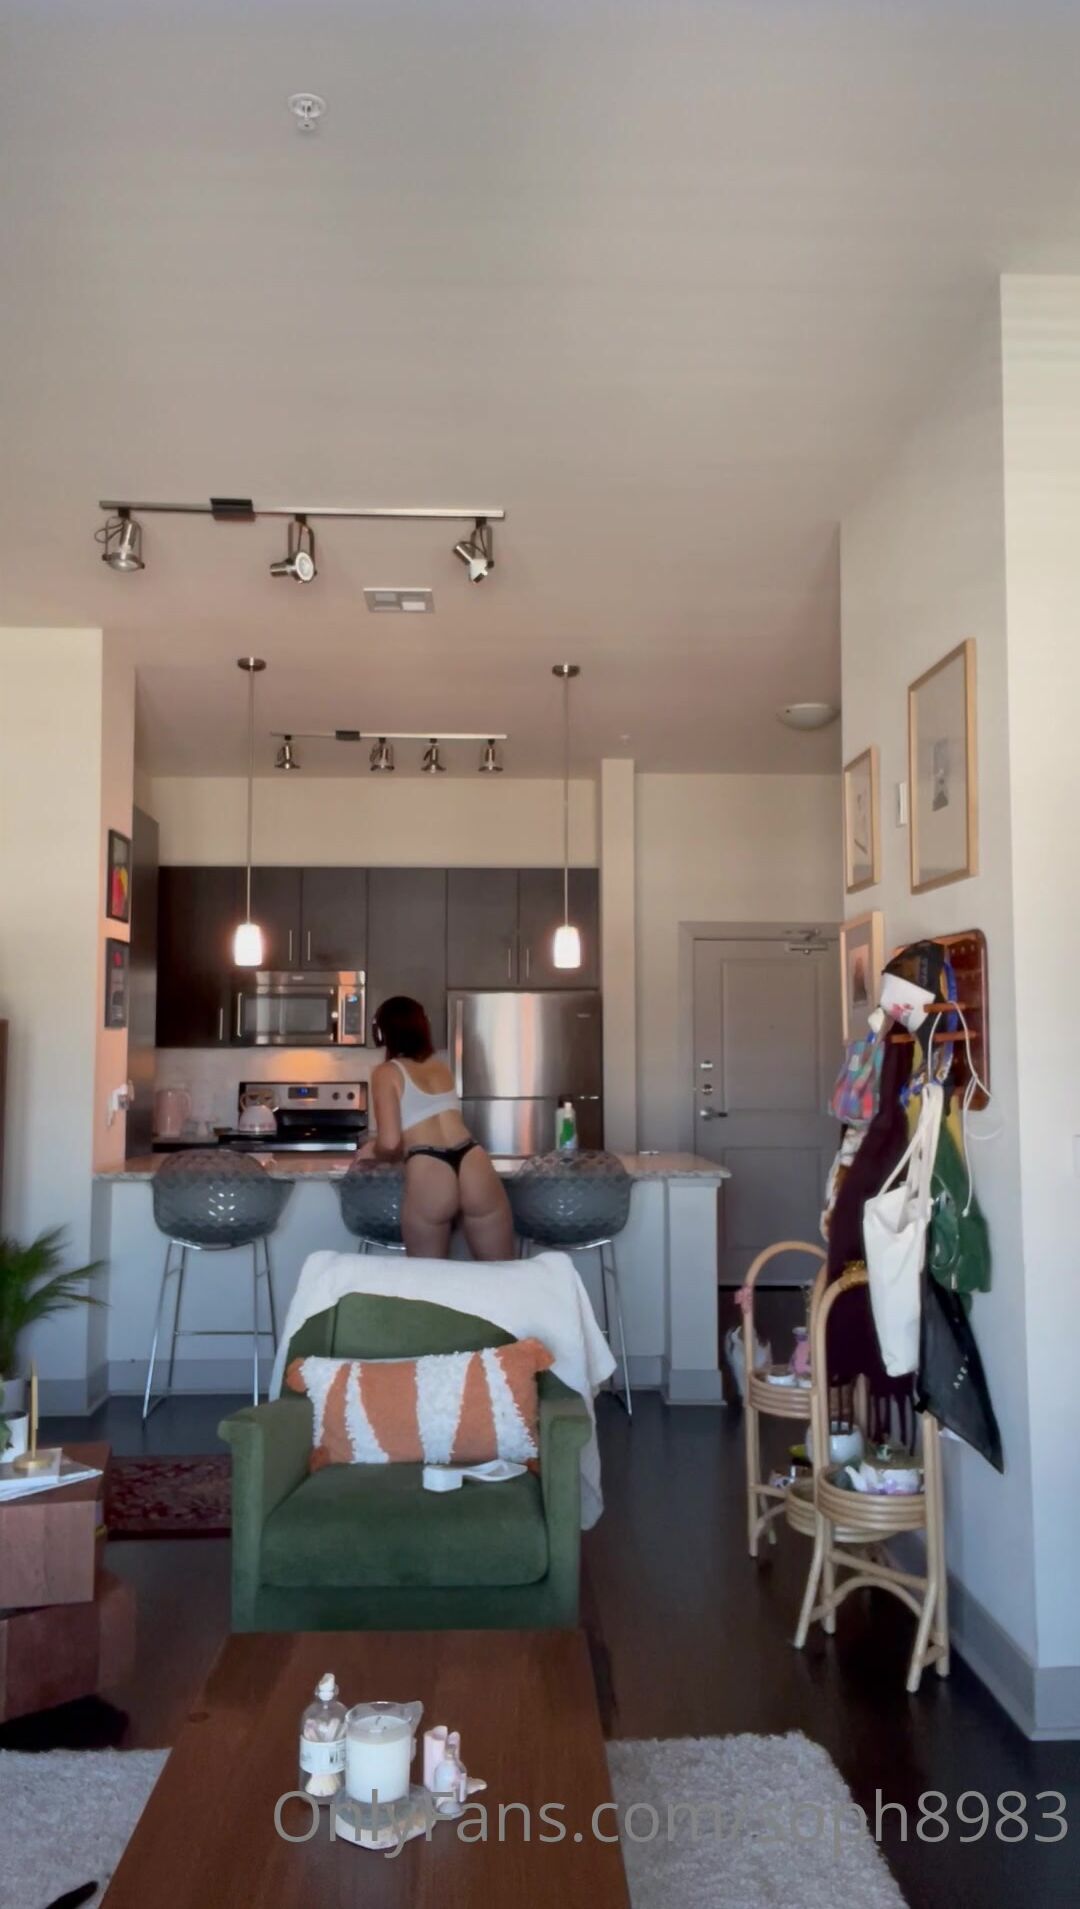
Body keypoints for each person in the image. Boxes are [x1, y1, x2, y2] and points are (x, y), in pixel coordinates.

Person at [361, 995, 514, 1261]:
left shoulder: (386, 1072)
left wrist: (370, 1153)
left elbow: (389, 1142)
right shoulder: (440, 1067)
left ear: (381, 1032)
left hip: (429, 1166)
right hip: (472, 1159)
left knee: (428, 1279)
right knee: (502, 1272)